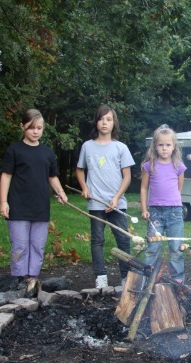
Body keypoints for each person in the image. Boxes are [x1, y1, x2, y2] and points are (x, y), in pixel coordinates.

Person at [0, 109, 68, 293]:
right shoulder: (14, 150)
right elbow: (6, 176)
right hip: (18, 206)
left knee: (37, 245)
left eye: (39, 128)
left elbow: (52, 176)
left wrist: (60, 192)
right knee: (20, 245)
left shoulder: (47, 153)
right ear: (22, 127)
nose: (35, 131)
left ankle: (32, 280)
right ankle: (18, 280)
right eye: (31, 128)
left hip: (40, 208)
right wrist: (3, 202)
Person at [76, 104, 135, 289]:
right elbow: (79, 170)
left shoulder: (121, 148)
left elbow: (127, 177)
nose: (104, 123)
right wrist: (84, 187)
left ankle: (126, 277)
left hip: (117, 202)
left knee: (123, 239)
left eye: (108, 119)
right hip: (96, 203)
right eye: (101, 119)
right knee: (97, 240)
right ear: (96, 121)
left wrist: (117, 198)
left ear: (113, 123)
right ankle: (100, 277)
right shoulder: (87, 146)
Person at [140, 124, 187, 282]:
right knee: (153, 247)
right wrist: (144, 209)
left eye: (168, 145)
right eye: (161, 145)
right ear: (155, 146)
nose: (164, 148)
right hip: (155, 212)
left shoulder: (178, 166)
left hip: (175, 212)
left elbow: (179, 187)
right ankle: (148, 278)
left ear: (174, 147)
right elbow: (144, 188)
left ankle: (178, 279)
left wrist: (172, 200)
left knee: (176, 248)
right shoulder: (149, 166)